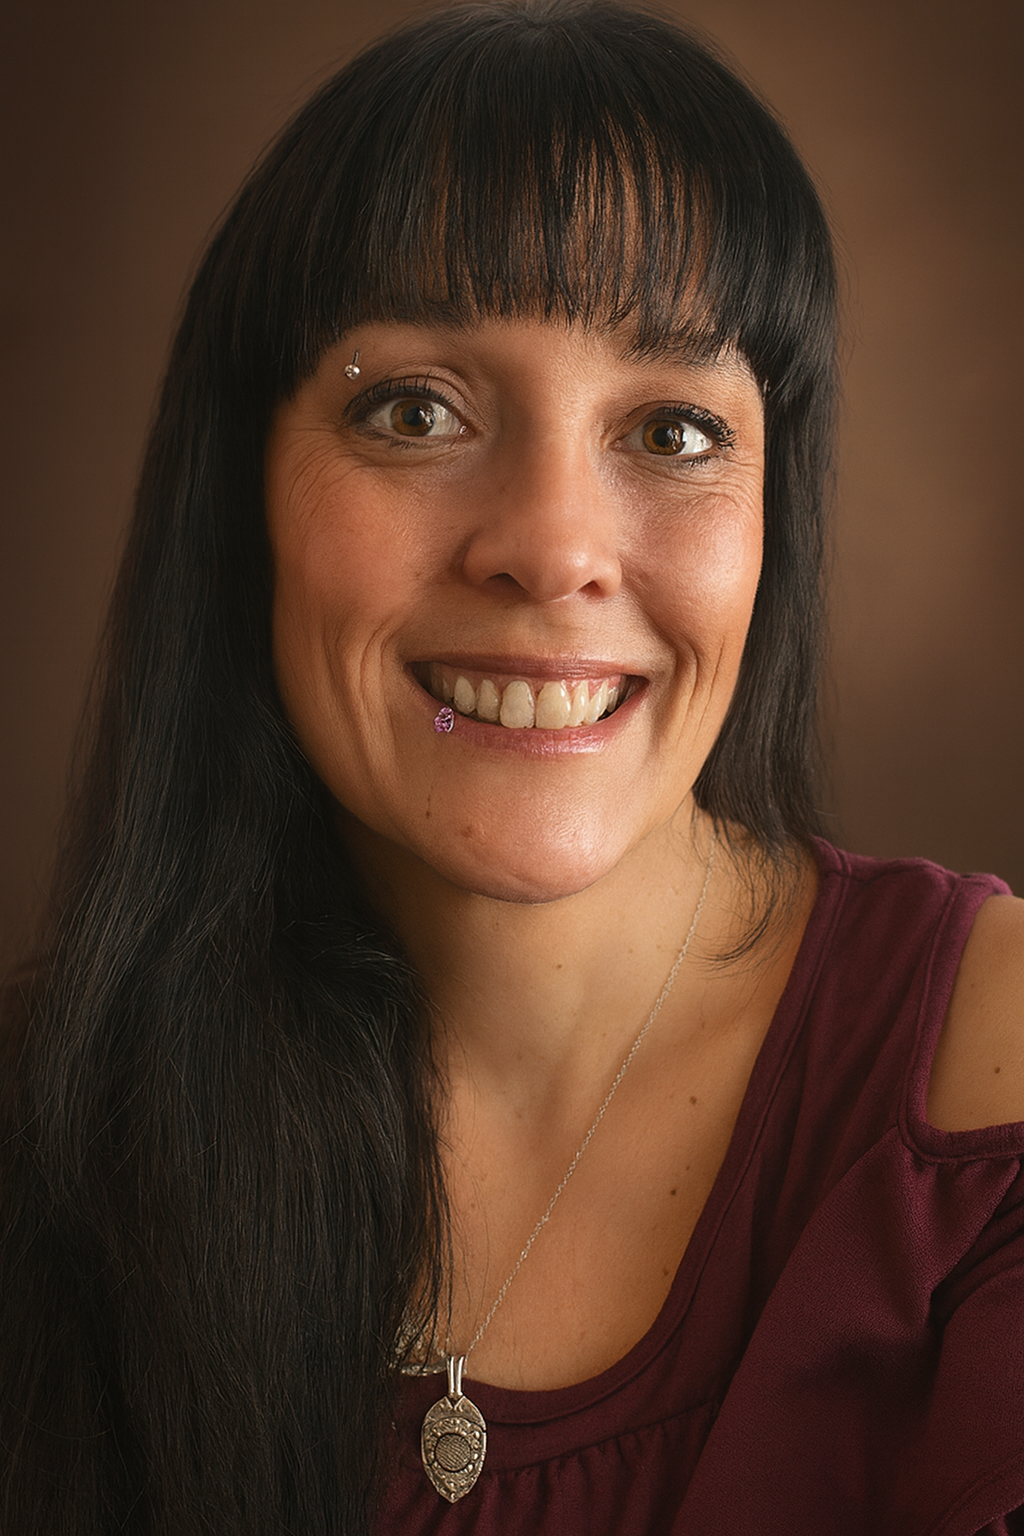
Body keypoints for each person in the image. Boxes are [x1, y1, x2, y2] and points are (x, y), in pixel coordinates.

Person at [2, 2, 1023, 1532]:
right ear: (246, 500)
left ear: (773, 526)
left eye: (674, 431)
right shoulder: (41, 1132)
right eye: (414, 409)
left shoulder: (986, 1072)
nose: (552, 551)